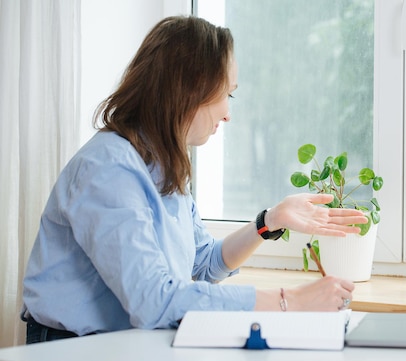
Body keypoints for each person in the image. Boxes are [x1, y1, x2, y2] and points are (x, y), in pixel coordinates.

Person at [21, 16, 367, 344]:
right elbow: (153, 301)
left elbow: (204, 264)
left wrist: (269, 221)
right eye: (225, 94)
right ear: (188, 89)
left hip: (122, 344)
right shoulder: (108, 169)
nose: (228, 113)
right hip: (71, 349)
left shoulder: (162, 163)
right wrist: (287, 300)